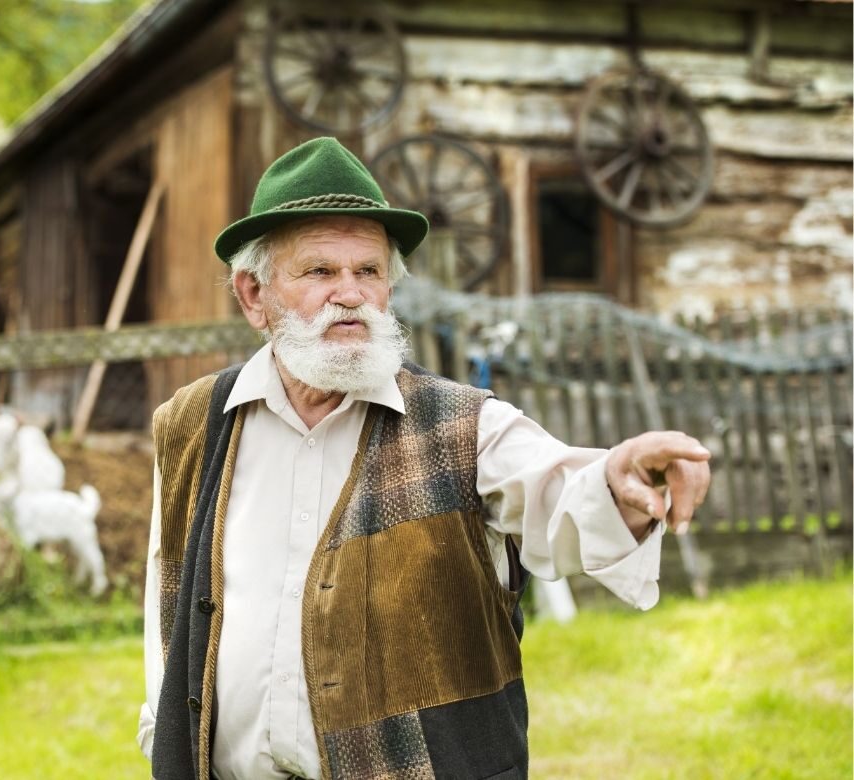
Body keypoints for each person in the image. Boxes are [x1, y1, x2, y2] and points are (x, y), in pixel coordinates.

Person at [136, 137, 711, 780]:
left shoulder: (465, 425)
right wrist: (165, 730)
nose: (349, 294)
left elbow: (558, 493)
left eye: (370, 271)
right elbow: (170, 589)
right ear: (253, 296)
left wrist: (615, 477)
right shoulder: (192, 423)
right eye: (320, 272)